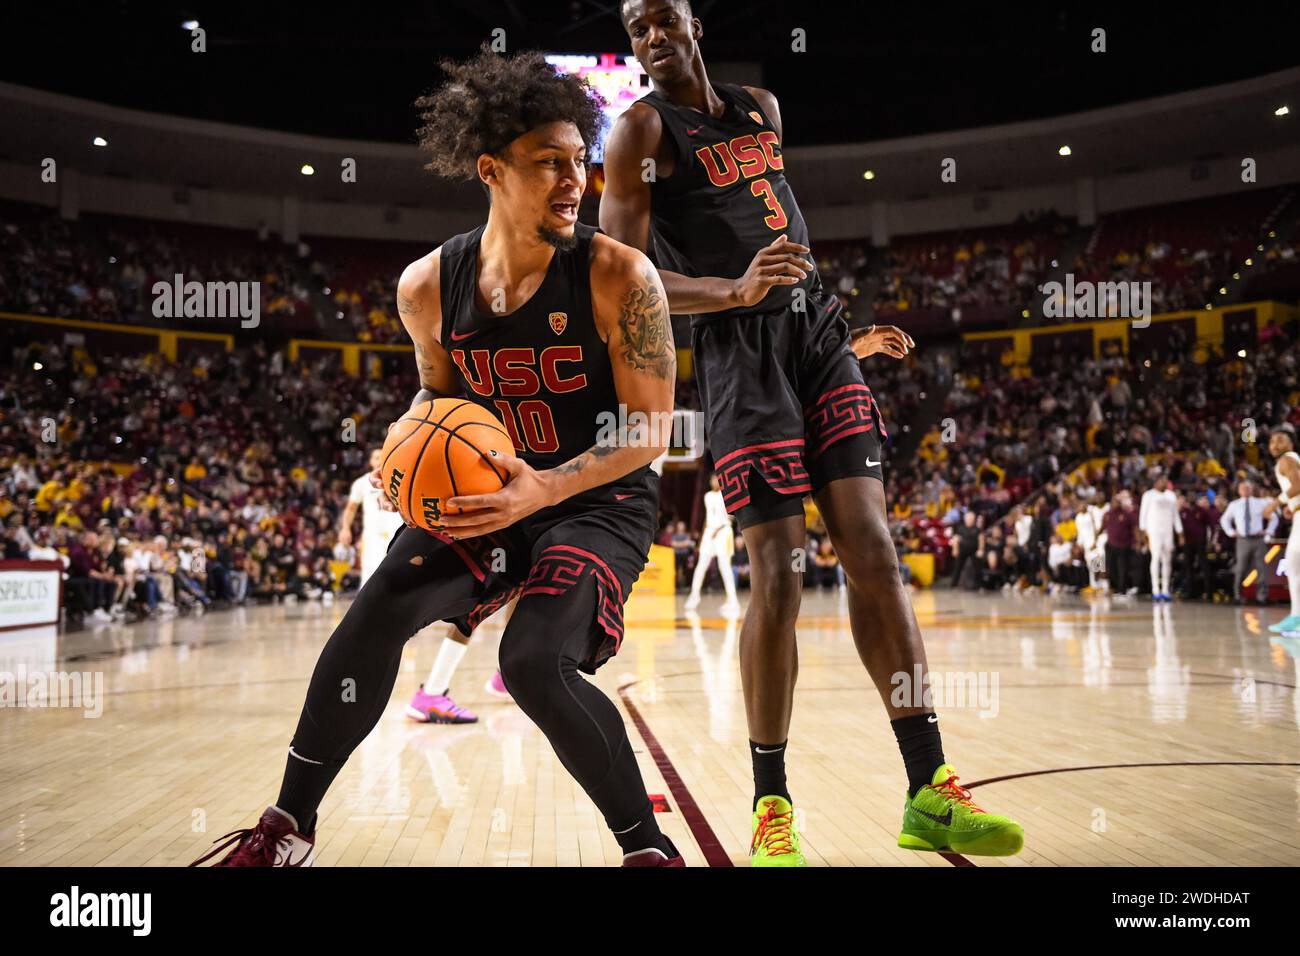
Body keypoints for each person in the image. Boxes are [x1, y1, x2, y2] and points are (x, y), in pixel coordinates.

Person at [193, 48, 682, 868]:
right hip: (488, 496)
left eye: (579, 162)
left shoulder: (620, 275)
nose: (573, 182)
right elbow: (437, 400)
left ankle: (647, 850)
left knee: (532, 663)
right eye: (547, 164)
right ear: (490, 169)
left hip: (596, 501)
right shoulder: (426, 287)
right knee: (378, 605)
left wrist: (543, 491)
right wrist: (405, 444)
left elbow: (648, 432)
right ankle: (288, 828)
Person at [602, 0, 1022, 865]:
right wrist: (734, 292)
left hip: (817, 339)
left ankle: (929, 790)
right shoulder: (640, 133)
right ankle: (771, 806)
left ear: (694, 23)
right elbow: (624, 281)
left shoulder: (762, 108)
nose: (649, 37)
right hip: (738, 352)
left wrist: (833, 330)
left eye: (662, 19)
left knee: (874, 550)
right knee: (781, 581)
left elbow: (778, 230)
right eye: (635, 26)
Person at [340, 447, 482, 723]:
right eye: (374, 457)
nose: (378, 460)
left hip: (404, 534)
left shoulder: (403, 471)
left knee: (406, 600)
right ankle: (368, 660)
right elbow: (351, 509)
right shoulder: (363, 483)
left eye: (382, 456)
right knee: (376, 600)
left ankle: (427, 683)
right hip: (376, 543)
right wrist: (346, 529)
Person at [684, 473, 740, 613]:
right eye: (712, 479)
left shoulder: (726, 495)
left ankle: (733, 601)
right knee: (701, 566)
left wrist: (719, 529)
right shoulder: (707, 496)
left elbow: (731, 518)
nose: (713, 481)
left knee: (724, 567)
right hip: (709, 533)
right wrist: (703, 537)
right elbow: (707, 519)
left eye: (716, 479)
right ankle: (694, 596)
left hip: (723, 532)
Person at [1219, 479, 1277, 605]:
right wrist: (1231, 532)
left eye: (1247, 488)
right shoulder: (1234, 504)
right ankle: (1238, 596)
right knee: (1240, 568)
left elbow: (1274, 518)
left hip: (1258, 538)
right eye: (1243, 488)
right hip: (1242, 540)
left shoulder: (1260, 503)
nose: (1245, 490)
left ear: (1252, 490)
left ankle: (1261, 597)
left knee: (1261, 568)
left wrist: (1268, 531)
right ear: (1239, 491)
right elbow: (1224, 520)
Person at [1265, 427, 1300, 632]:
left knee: (1294, 566)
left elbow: (1298, 484)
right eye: (1271, 441)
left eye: (1280, 440)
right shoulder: (1292, 459)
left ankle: (1296, 618)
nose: (1274, 444)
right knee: (1295, 567)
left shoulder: (1286, 459)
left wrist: (1276, 503)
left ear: (1290, 443)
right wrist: (1291, 506)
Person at [1139, 475, 1182, 602]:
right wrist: (1144, 533)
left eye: (1166, 481)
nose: (1165, 483)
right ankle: (1155, 590)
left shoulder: (1171, 495)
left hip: (1167, 532)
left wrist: (1180, 532)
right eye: (1162, 481)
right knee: (1156, 558)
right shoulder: (1148, 495)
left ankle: (1165, 589)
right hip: (1154, 532)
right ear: (1156, 482)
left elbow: (1175, 516)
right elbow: (1143, 516)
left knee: (1167, 560)